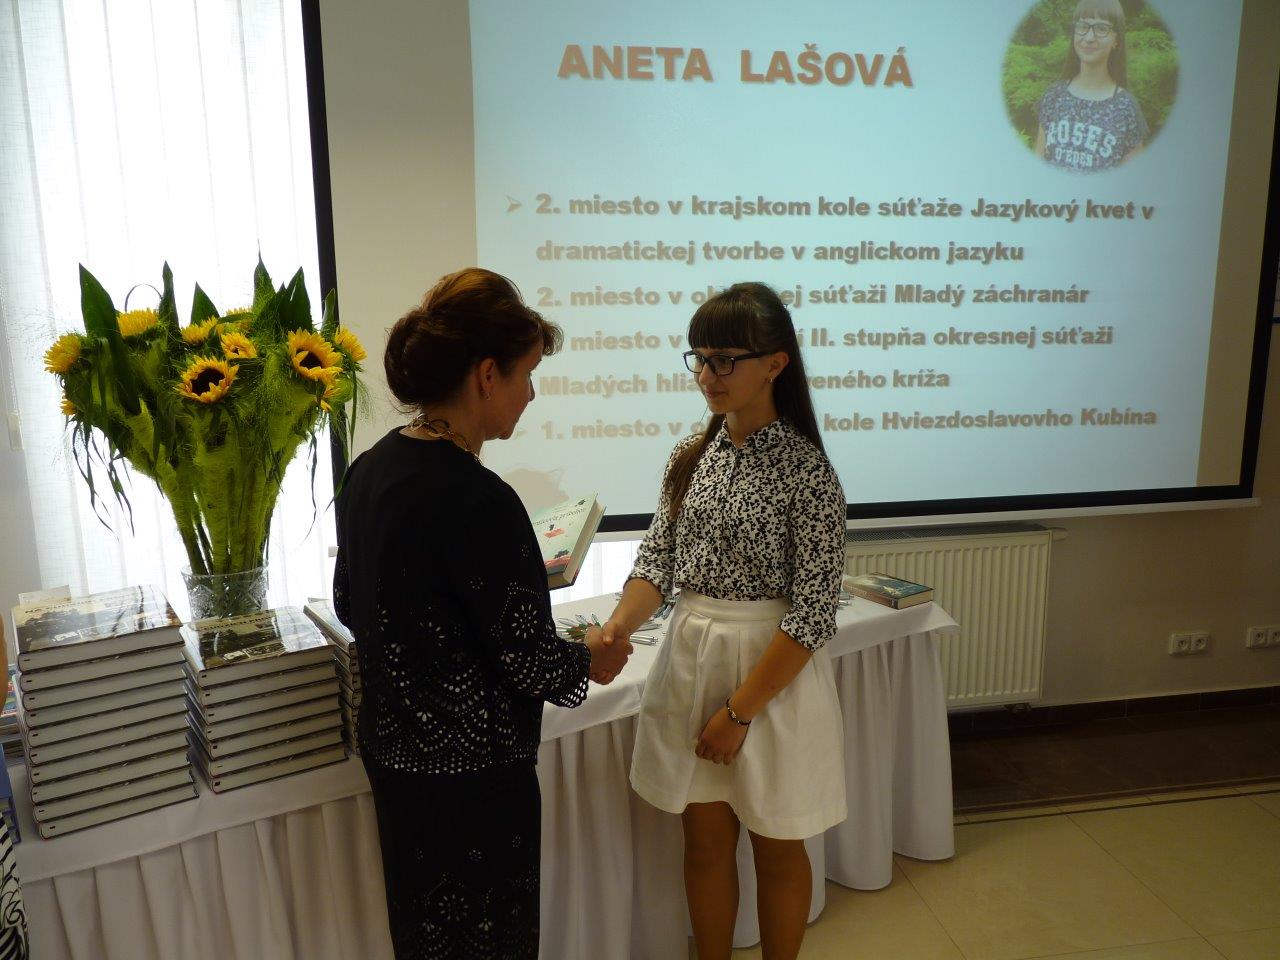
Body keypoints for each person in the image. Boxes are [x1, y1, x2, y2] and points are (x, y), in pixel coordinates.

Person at [333, 267, 631, 960]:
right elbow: (529, 660)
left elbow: (351, 600)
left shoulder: (369, 470)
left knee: (424, 937)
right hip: (475, 779)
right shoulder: (481, 500)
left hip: (397, 762)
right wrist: (592, 655)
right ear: (487, 375)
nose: (532, 394)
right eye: (527, 375)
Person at [602, 282, 847, 960]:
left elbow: (812, 614)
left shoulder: (809, 473)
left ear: (775, 364)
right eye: (700, 359)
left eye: (725, 360)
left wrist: (739, 713)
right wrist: (619, 625)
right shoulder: (691, 455)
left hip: (770, 676)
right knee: (704, 843)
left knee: (778, 845)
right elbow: (656, 562)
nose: (708, 375)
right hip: (692, 657)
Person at [1034, 0, 1149, 172]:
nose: (1089, 38)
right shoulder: (1054, 95)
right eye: (1082, 26)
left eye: (1101, 29)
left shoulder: (1126, 107)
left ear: (1116, 40)